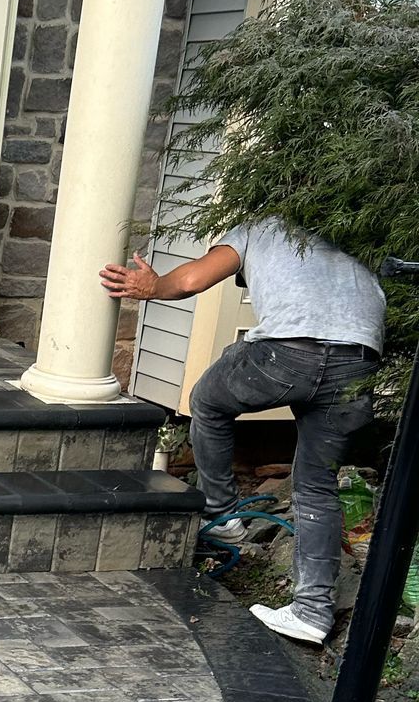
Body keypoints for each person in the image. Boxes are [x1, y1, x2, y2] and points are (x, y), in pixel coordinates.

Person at [101, 221, 385, 644]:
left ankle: (224, 515)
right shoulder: (350, 231)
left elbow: (194, 278)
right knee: (316, 485)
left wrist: (153, 285)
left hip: (286, 353)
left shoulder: (260, 225)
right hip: (358, 361)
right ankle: (312, 612)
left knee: (208, 402)